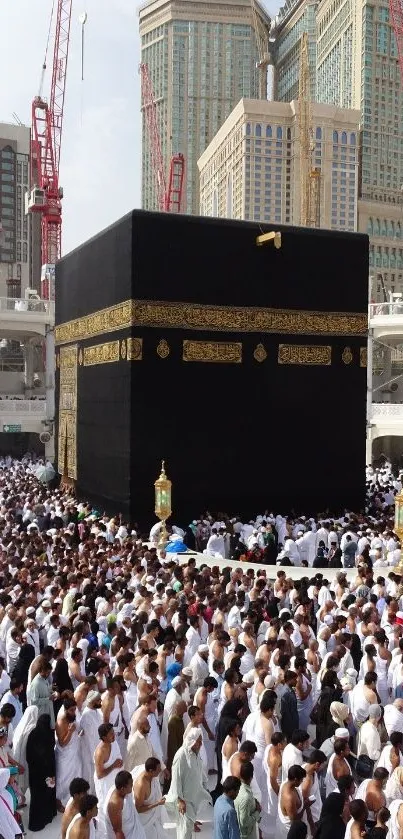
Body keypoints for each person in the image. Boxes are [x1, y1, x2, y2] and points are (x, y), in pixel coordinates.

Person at [165, 728, 211, 839]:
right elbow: (176, 779)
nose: (200, 744)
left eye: (201, 741)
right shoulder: (181, 755)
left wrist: (205, 785)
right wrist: (180, 800)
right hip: (184, 799)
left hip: (194, 797)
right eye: (198, 741)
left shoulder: (196, 753)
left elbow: (199, 770)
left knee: (189, 828)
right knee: (184, 829)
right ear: (191, 740)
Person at [26, 713, 57, 832]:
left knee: (36, 797)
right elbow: (50, 754)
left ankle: (36, 822)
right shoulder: (49, 734)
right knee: (47, 794)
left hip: (35, 773)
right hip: (48, 772)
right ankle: (47, 816)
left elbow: (29, 756)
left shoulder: (33, 734)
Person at [55, 697, 82, 810]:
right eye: (71, 710)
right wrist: (70, 732)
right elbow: (62, 743)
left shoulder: (73, 718)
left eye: (75, 709)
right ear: (65, 710)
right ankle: (59, 801)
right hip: (64, 756)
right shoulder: (61, 721)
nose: (74, 712)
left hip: (74, 753)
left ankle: (74, 798)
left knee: (75, 775)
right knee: (63, 779)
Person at [104, 769, 146, 839]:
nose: (132, 786)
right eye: (130, 785)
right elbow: (118, 831)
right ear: (123, 788)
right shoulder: (115, 804)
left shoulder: (122, 790)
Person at [132, 757, 167, 839]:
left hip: (153, 818)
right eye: (158, 770)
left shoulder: (152, 777)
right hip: (144, 821)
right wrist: (157, 803)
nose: (160, 771)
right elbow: (138, 809)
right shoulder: (141, 785)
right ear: (151, 771)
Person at [94, 722, 123, 809]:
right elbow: (99, 775)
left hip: (115, 781)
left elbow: (118, 757)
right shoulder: (100, 752)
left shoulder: (113, 742)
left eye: (113, 732)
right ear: (104, 737)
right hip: (105, 785)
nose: (114, 735)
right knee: (105, 807)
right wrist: (113, 765)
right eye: (111, 734)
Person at [79, 691, 103, 795]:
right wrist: (95, 755)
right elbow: (89, 738)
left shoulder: (96, 711)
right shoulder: (86, 715)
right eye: (99, 700)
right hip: (90, 751)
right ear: (93, 702)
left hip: (97, 748)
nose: (101, 702)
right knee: (89, 774)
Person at [276, 765, 307, 839]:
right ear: (296, 779)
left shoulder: (285, 783)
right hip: (290, 832)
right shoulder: (289, 798)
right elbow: (295, 821)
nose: (302, 781)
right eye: (301, 779)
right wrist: (305, 806)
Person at [234, 761, 261, 839]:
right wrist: (257, 812)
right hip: (247, 835)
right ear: (251, 777)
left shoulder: (238, 788)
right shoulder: (246, 796)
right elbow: (244, 822)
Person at [27, 659, 56, 727]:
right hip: (41, 714)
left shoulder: (44, 679)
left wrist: (51, 688)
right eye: (47, 672)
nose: (47, 674)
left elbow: (44, 690)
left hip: (48, 711)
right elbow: (34, 701)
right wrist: (48, 699)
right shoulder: (36, 683)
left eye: (49, 673)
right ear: (42, 670)